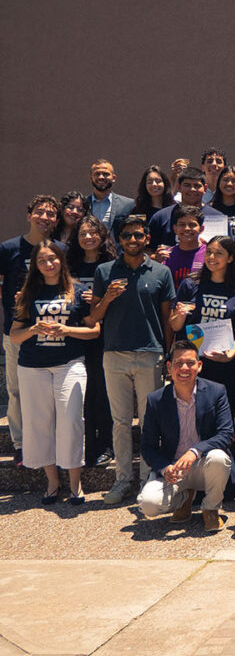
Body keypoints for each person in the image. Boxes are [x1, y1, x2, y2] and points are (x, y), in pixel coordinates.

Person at [88, 215, 177, 504]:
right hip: (114, 353)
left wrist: (167, 352)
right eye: (126, 235)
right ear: (120, 240)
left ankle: (148, 477)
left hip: (150, 353)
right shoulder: (105, 271)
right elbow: (94, 317)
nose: (132, 240)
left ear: (146, 238)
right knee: (120, 422)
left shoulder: (161, 272)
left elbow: (166, 319)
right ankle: (123, 479)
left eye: (138, 235)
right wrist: (108, 298)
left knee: (149, 421)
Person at [11, 242, 99, 504]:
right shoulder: (28, 293)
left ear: (61, 259)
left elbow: (94, 331)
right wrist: (33, 330)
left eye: (53, 259)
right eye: (42, 261)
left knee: (71, 419)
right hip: (32, 366)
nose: (48, 264)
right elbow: (15, 336)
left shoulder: (78, 291)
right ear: (35, 266)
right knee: (39, 423)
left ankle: (75, 483)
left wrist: (68, 331)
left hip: (68, 363)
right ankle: (52, 482)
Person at [136, 340, 235, 532]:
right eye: (178, 363)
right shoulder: (156, 399)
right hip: (174, 468)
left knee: (219, 457)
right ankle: (184, 499)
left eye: (190, 363)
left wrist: (195, 451)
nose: (184, 368)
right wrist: (165, 468)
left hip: (205, 465)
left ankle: (211, 509)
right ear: (169, 367)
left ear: (199, 365)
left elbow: (226, 433)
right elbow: (147, 445)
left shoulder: (216, 391)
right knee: (148, 505)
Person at [1, 195, 62, 465]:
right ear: (29, 215)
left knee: (51, 392)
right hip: (17, 330)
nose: (44, 218)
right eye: (39, 212)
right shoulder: (9, 248)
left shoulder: (61, 248)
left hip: (52, 331)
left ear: (56, 220)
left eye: (50, 214)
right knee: (15, 390)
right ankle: (21, 443)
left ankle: (53, 441)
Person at [171, 236, 235, 406]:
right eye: (209, 252)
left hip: (223, 362)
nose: (212, 258)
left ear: (230, 258)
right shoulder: (190, 283)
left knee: (222, 412)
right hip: (191, 362)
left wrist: (231, 354)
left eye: (218, 253)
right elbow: (175, 325)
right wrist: (181, 315)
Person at [67, 215, 115, 467]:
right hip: (75, 335)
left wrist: (100, 298)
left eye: (92, 233)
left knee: (102, 391)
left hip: (104, 336)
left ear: (102, 235)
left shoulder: (111, 264)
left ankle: (106, 443)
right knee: (82, 393)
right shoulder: (69, 264)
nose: (87, 237)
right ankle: (86, 444)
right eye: (82, 233)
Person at [147, 167, 225, 249]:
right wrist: (156, 258)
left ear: (205, 188)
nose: (192, 189)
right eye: (187, 185)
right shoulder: (161, 217)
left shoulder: (218, 217)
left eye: (197, 186)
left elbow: (227, 251)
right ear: (179, 187)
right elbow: (147, 251)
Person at [161, 204, 207, 287]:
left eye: (192, 225)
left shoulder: (209, 254)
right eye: (182, 224)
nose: (187, 229)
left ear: (201, 229)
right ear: (175, 229)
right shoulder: (166, 256)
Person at [87, 159, 135, 230]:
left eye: (106, 174)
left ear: (114, 178)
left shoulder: (129, 205)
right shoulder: (83, 204)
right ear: (91, 178)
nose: (101, 177)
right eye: (97, 174)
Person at [209, 166, 235, 239]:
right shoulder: (210, 209)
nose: (229, 184)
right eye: (225, 180)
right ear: (219, 182)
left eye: (234, 181)